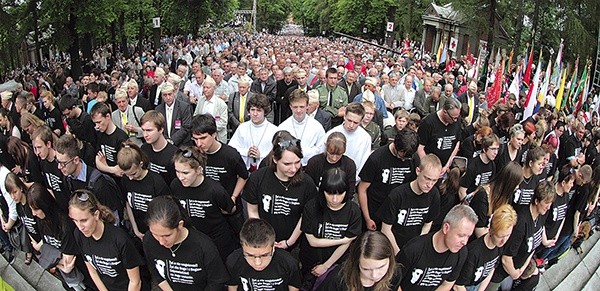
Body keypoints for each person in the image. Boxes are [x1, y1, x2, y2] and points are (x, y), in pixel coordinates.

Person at [242, 132, 317, 249]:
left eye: (297, 162)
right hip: (264, 240)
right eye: (287, 164)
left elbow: (306, 216)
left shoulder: (307, 183)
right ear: (275, 160)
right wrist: (263, 239)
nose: (293, 169)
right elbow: (252, 211)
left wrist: (289, 242)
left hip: (294, 242)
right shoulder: (258, 178)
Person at [143, 195, 229, 290]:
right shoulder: (149, 240)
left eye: (167, 235)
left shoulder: (203, 246)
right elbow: (155, 273)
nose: (161, 242)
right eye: (155, 234)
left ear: (180, 225)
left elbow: (216, 282)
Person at [170, 146, 237, 260]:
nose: (181, 177)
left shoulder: (215, 190)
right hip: (191, 239)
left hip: (216, 241)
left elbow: (230, 209)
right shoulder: (175, 185)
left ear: (198, 170)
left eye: (186, 173)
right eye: (177, 171)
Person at [69, 190, 144, 291]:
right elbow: (92, 271)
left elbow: (135, 281)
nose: (80, 227)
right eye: (75, 221)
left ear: (96, 215)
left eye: (84, 220)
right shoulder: (79, 235)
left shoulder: (120, 239)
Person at [488, 181, 556, 291]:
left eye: (550, 203)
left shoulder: (541, 215)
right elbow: (506, 258)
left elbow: (534, 243)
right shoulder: (521, 222)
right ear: (536, 201)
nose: (548, 207)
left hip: (516, 272)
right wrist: (515, 273)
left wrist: (522, 268)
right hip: (501, 273)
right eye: (546, 203)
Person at [299, 168, 362, 285]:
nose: (334, 199)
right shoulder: (311, 207)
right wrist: (344, 239)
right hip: (311, 260)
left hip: (338, 262)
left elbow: (345, 245)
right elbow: (312, 241)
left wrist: (326, 266)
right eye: (329, 193)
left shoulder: (353, 210)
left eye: (340, 194)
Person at [191, 113, 249, 235]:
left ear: (214, 134)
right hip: (207, 210)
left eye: (203, 138)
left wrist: (233, 197)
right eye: (195, 139)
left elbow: (243, 176)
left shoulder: (230, 154)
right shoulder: (195, 154)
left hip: (229, 209)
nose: (199, 143)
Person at [397, 205, 476, 290]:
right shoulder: (414, 249)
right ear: (446, 228)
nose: (464, 242)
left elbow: (447, 284)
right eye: (461, 235)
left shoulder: (461, 253)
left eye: (468, 236)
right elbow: (394, 281)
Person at [378, 154, 442, 254]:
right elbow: (386, 229)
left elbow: (428, 223)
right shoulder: (397, 195)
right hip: (392, 247)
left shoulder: (434, 195)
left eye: (434, 180)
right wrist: (398, 253)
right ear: (418, 171)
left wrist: (417, 246)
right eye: (427, 178)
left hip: (414, 248)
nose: (429, 185)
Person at [27, 182, 86, 291]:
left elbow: (68, 262)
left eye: (36, 209)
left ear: (44, 205)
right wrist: (59, 263)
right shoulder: (41, 221)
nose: (33, 213)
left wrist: (51, 259)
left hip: (82, 274)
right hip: (65, 277)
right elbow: (46, 248)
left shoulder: (65, 225)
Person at [55, 134, 125, 224]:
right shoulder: (67, 179)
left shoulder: (98, 183)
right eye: (57, 161)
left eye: (63, 163)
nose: (59, 167)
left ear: (76, 160)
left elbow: (113, 215)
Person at [358, 129, 419, 231]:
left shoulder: (413, 158)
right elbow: (362, 189)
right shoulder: (376, 158)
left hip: (397, 212)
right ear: (395, 145)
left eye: (406, 159)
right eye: (401, 156)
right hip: (375, 210)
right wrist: (368, 218)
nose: (403, 160)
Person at [226, 218, 303, 291]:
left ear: (273, 246)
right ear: (242, 246)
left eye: (264, 255)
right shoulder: (233, 261)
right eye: (250, 255)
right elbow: (232, 286)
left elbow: (294, 287)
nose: (258, 263)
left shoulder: (289, 263)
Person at [454, 204, 518, 291]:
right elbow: (458, 285)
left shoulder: (499, 246)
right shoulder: (473, 253)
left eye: (508, 235)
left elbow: (491, 269)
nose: (504, 240)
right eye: (500, 236)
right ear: (490, 230)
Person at [118, 142, 171, 240]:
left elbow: (165, 210)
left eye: (133, 173)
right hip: (138, 228)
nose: (130, 178)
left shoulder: (156, 182)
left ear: (141, 164)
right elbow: (128, 204)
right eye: (127, 174)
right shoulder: (125, 180)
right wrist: (135, 230)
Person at [316, 231, 402, 291]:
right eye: (366, 269)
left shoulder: (395, 273)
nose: (374, 275)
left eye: (381, 267)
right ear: (356, 263)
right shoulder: (339, 278)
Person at [469, 162, 524, 238]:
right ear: (509, 184)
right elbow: (479, 230)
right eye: (516, 184)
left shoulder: (508, 196)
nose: (517, 187)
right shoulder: (483, 196)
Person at [228, 93, 278, 170]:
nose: (255, 114)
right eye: (252, 110)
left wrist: (260, 155)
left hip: (265, 171)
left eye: (259, 110)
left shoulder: (273, 130)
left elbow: (277, 154)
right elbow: (232, 149)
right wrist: (246, 152)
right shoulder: (242, 127)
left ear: (265, 112)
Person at [277, 89, 326, 165]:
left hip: (310, 166)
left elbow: (322, 149)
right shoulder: (283, 127)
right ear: (290, 107)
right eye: (295, 107)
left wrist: (307, 152)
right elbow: (279, 150)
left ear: (307, 106)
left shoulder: (317, 127)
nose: (298, 110)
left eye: (302, 107)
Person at [325, 102, 372, 181]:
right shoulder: (331, 133)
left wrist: (354, 180)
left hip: (353, 179)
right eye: (349, 120)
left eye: (355, 122)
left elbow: (364, 162)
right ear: (344, 116)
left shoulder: (365, 138)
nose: (351, 125)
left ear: (361, 121)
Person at [417, 97, 462, 177]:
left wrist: (447, 165)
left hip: (445, 167)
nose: (455, 121)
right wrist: (429, 168)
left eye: (457, 118)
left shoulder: (456, 121)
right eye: (453, 118)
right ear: (445, 111)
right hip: (429, 168)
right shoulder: (428, 123)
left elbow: (456, 143)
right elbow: (420, 148)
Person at [305, 132, 356, 196]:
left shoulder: (349, 165)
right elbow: (308, 186)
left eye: (338, 155)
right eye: (331, 154)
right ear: (326, 146)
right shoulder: (314, 162)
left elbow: (350, 190)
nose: (334, 158)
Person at [139, 110, 178, 184]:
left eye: (149, 130)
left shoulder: (174, 154)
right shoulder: (144, 148)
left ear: (161, 130)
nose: (145, 135)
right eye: (143, 130)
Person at [458, 134, 500, 200]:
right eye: (493, 149)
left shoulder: (492, 165)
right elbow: (462, 191)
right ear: (484, 149)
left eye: (497, 149)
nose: (496, 152)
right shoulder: (473, 166)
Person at [155, 82, 192, 146]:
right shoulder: (158, 109)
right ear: (162, 96)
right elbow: (158, 127)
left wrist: (172, 140)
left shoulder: (184, 107)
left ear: (174, 93)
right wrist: (166, 140)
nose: (168, 97)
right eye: (165, 95)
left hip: (182, 144)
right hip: (165, 143)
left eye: (170, 94)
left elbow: (186, 126)